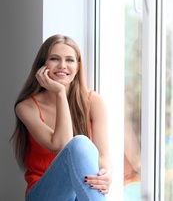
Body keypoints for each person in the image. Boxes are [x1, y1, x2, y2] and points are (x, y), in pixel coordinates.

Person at [11, 34, 112, 201]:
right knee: (79, 143)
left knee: (83, 148)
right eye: (54, 59)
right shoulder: (26, 107)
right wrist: (59, 93)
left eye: (70, 60)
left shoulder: (94, 101)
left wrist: (106, 175)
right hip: (44, 194)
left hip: (79, 193)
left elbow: (103, 157)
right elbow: (62, 144)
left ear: (78, 67)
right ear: (43, 65)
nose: (62, 66)